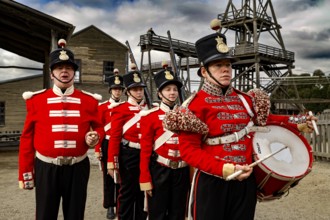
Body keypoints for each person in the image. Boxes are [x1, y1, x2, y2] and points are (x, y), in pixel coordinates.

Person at [163, 20, 317, 220]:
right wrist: (224, 169)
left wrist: (299, 121)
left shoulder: (246, 100)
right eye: (218, 65)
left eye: (228, 64)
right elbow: (189, 151)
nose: (226, 69)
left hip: (245, 182)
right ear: (204, 72)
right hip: (212, 182)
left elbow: (268, 122)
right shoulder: (194, 106)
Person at [18, 39, 103, 220]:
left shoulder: (89, 101)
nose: (64, 71)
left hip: (78, 166)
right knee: (45, 215)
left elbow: (100, 128)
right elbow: (26, 138)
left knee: (75, 214)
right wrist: (26, 172)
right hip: (46, 167)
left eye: (69, 68)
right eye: (59, 68)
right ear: (51, 74)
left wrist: (95, 138)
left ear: (74, 72)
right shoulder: (35, 100)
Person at [139, 64, 190, 220]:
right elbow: (146, 150)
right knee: (157, 213)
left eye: (175, 89)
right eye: (168, 89)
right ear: (160, 93)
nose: (172, 93)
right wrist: (145, 178)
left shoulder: (186, 115)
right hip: (160, 170)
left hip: (182, 170)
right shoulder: (149, 116)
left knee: (178, 213)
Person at [107, 67, 148, 220]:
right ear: (128, 92)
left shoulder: (149, 108)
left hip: (145, 154)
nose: (139, 92)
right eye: (135, 89)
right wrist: (112, 161)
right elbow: (115, 137)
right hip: (128, 154)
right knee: (127, 192)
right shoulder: (120, 109)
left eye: (141, 89)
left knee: (143, 190)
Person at [95, 69, 124, 219]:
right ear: (110, 90)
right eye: (115, 89)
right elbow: (98, 129)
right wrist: (97, 148)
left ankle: (120, 203)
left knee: (121, 174)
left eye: (120, 89)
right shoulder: (102, 107)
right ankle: (110, 205)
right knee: (108, 176)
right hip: (106, 143)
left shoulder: (125, 107)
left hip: (122, 144)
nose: (117, 92)